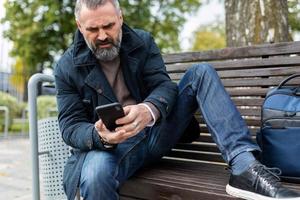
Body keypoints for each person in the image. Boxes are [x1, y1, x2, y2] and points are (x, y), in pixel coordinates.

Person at [54, 0, 300, 200]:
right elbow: (70, 125)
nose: (102, 35)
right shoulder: (66, 67)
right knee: (95, 175)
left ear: (120, 17)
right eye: (92, 30)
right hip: (110, 148)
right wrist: (100, 136)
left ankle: (245, 168)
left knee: (200, 73)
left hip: (157, 133)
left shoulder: (143, 42)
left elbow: (164, 87)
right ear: (79, 25)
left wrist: (148, 109)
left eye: (108, 25)